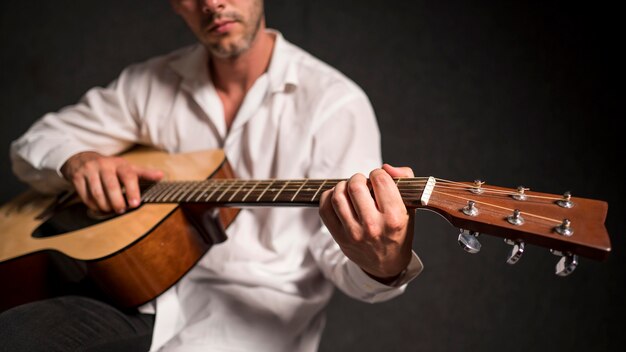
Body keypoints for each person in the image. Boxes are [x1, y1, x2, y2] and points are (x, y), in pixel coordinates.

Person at [0, 0, 423, 351]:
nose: (212, 3)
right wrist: (78, 160)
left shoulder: (334, 103)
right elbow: (35, 144)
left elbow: (344, 259)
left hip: (246, 328)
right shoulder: (148, 84)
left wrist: (383, 262)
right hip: (127, 295)